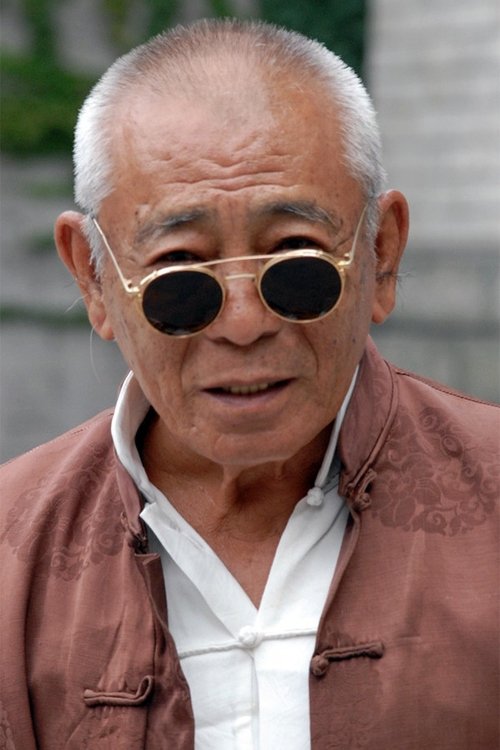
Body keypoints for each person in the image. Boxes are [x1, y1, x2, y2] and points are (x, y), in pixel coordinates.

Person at [0, 18, 498, 750]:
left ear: (381, 255)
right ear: (94, 278)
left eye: (296, 263)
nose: (242, 325)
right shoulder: (11, 558)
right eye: (181, 277)